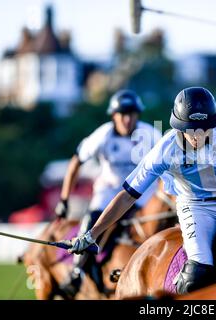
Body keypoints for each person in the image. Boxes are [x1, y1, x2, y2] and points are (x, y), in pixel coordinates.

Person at [65, 86, 216, 294]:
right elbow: (127, 196)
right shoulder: (165, 149)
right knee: (196, 277)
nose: (199, 136)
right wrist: (91, 235)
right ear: (179, 127)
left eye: (206, 128)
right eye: (191, 130)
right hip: (196, 209)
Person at [55, 89, 161, 298]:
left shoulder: (150, 134)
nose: (128, 119)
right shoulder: (102, 135)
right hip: (109, 190)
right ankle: (78, 272)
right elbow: (76, 161)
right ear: (114, 115)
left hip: (142, 192)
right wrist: (64, 199)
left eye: (132, 114)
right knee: (91, 223)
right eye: (123, 114)